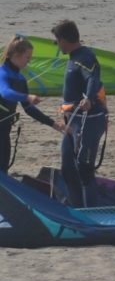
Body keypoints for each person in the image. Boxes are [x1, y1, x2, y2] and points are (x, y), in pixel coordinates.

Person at [53, 20, 105, 208]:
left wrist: (89, 98)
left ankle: (90, 214)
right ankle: (77, 210)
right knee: (67, 167)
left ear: (65, 40)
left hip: (88, 120)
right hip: (72, 121)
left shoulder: (85, 57)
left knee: (84, 168)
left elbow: (92, 78)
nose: (57, 46)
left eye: (57, 41)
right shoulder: (73, 57)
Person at [0, 36, 60, 178]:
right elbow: (5, 92)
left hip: (4, 131)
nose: (29, 61)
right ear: (16, 55)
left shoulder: (21, 79)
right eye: (27, 57)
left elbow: (29, 109)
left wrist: (53, 124)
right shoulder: (2, 73)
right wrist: (26, 96)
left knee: (3, 170)